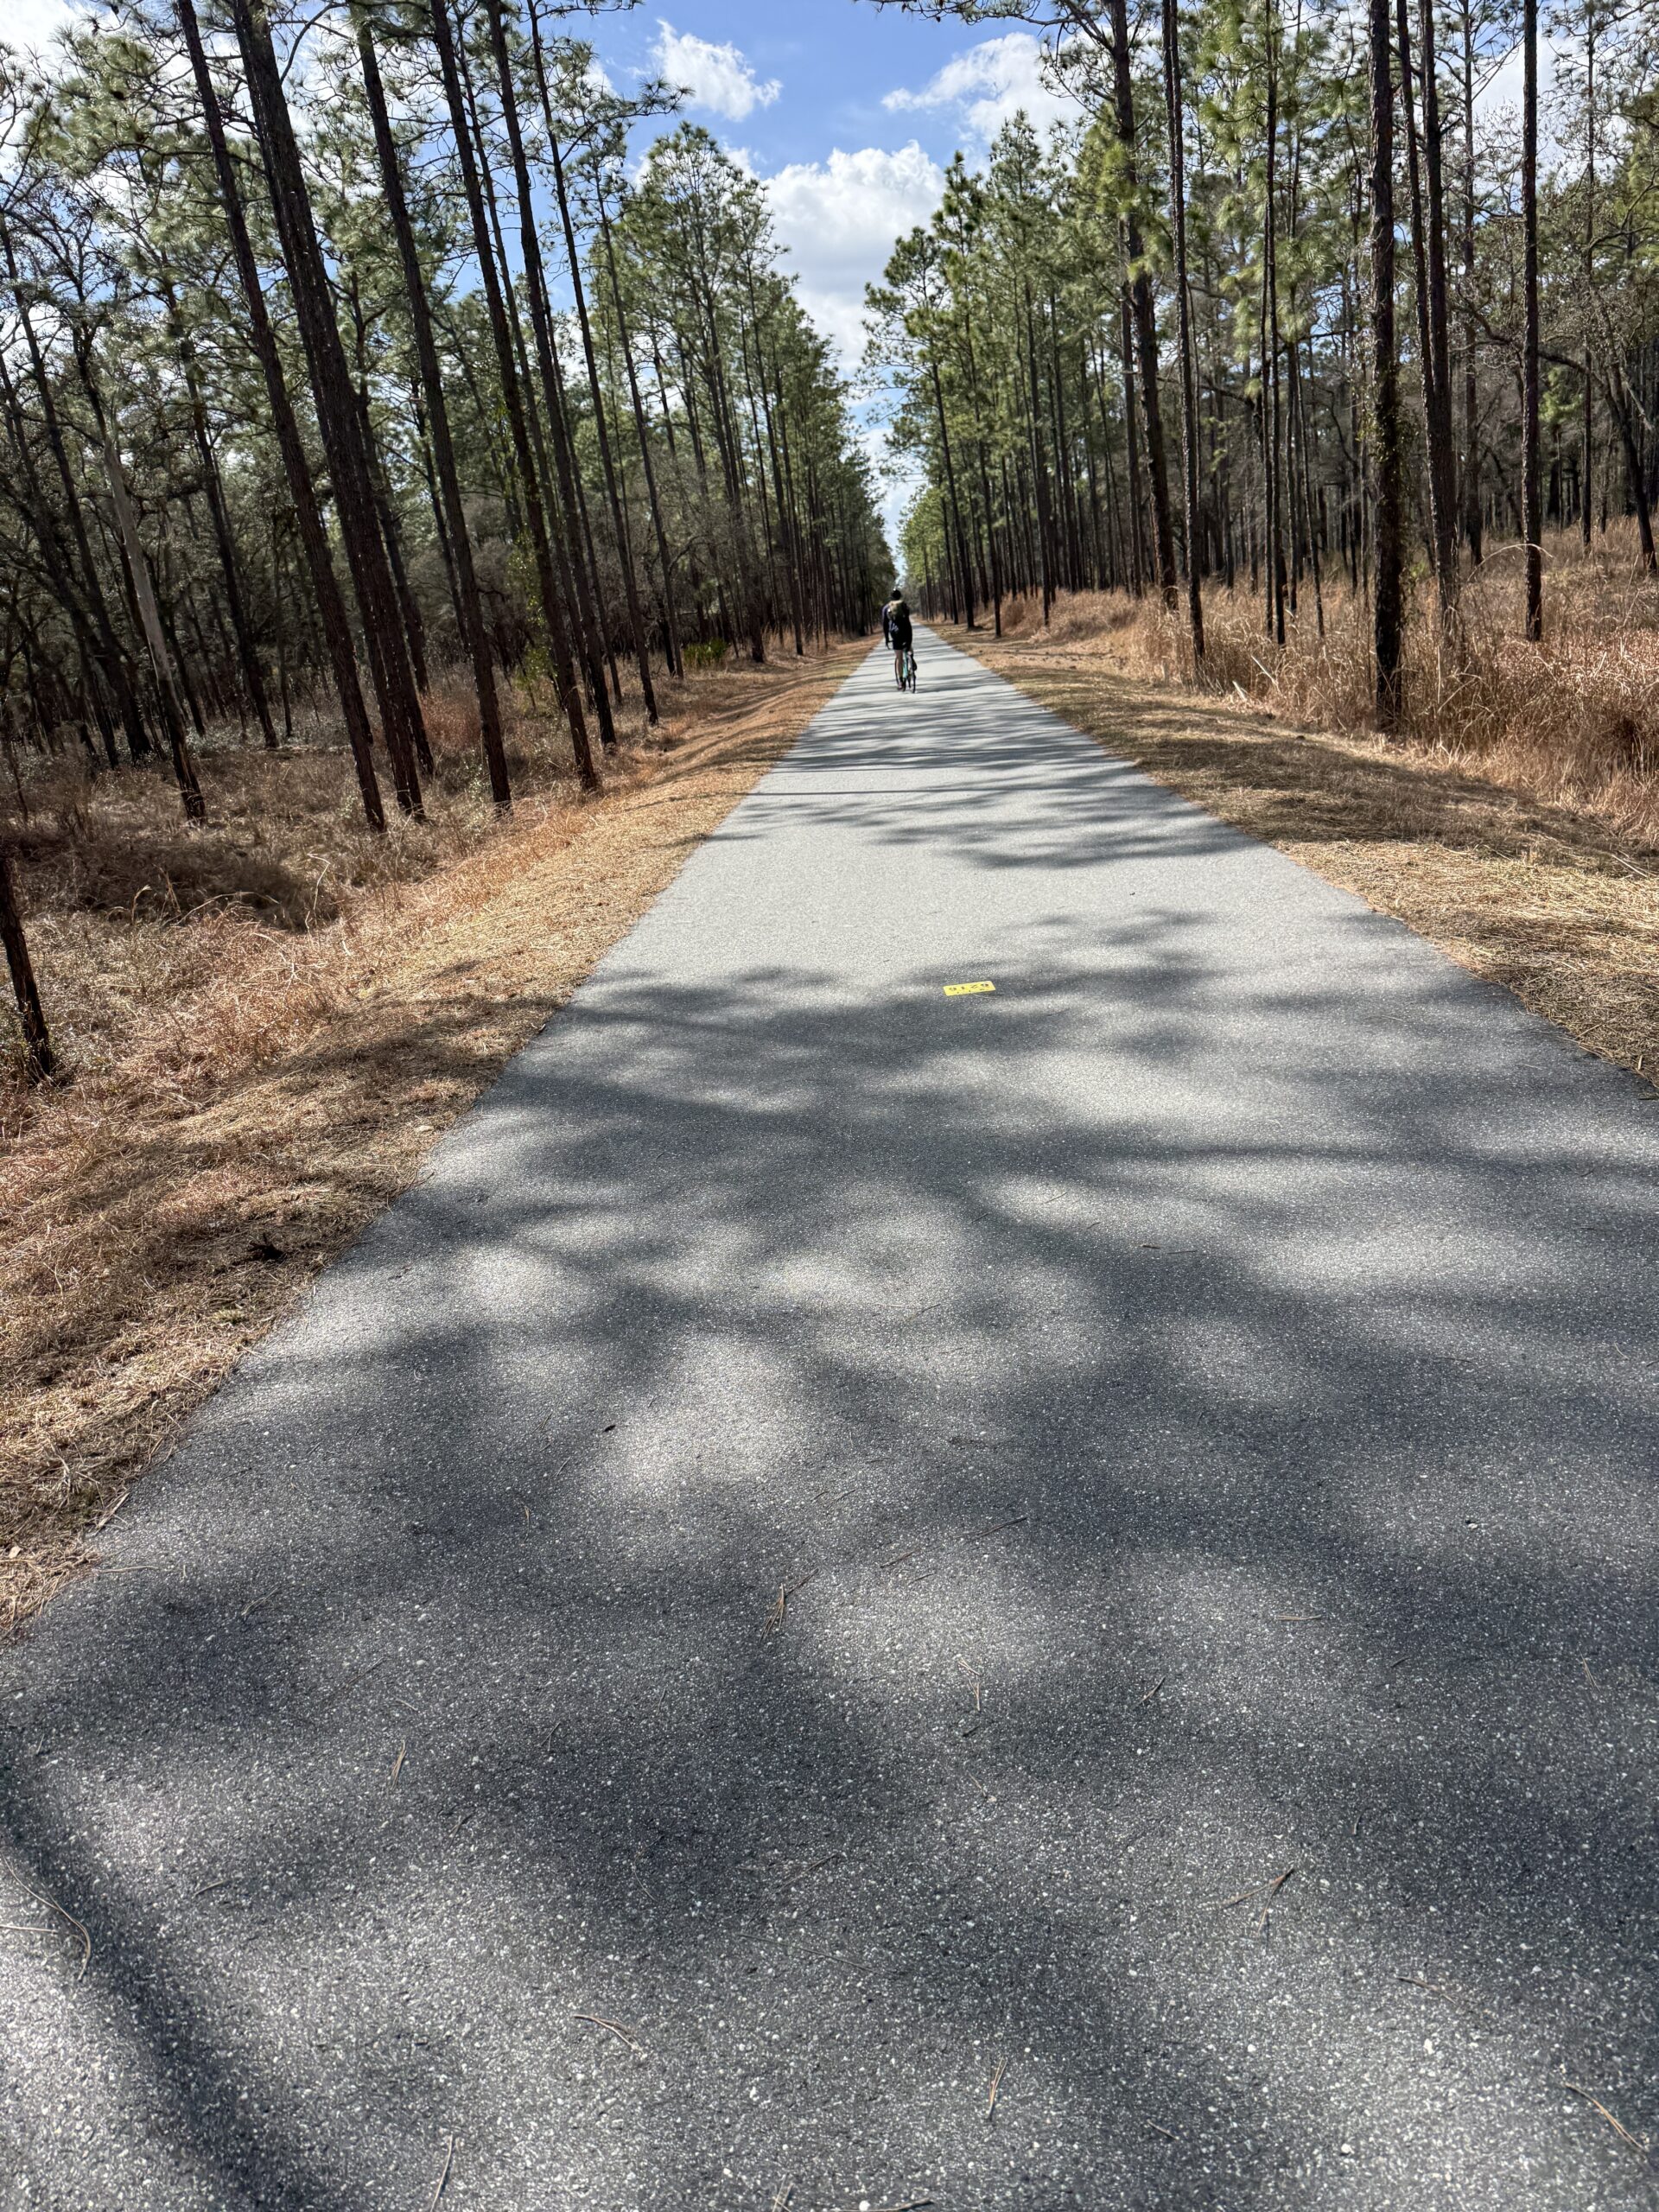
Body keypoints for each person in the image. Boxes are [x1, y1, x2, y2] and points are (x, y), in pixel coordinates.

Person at [881, 590, 913, 687]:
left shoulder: (886, 608)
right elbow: (907, 618)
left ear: (891, 597)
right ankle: (911, 659)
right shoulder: (904, 605)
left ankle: (901, 681)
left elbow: (885, 625)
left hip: (895, 633)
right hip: (906, 631)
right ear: (900, 596)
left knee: (899, 658)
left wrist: (887, 638)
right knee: (909, 647)